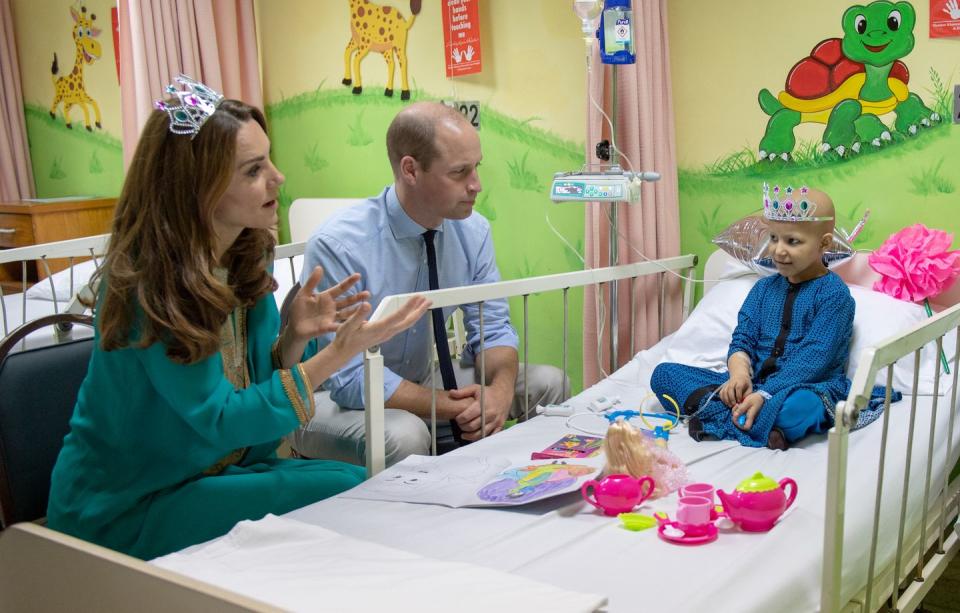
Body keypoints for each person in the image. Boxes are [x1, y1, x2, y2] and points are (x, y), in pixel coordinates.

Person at [46, 76, 429, 560]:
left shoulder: (244, 259)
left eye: (268, 159)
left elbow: (259, 423)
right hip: (126, 506)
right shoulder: (152, 289)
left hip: (209, 473)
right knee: (348, 499)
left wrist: (293, 341)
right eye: (253, 170)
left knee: (363, 485)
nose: (277, 177)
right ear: (196, 188)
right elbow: (224, 420)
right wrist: (335, 356)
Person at [290, 101, 568, 466]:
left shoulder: (473, 232)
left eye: (477, 168)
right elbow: (348, 376)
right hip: (328, 399)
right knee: (406, 433)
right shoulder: (340, 246)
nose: (476, 185)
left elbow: (493, 329)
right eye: (459, 172)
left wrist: (497, 395)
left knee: (549, 383)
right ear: (411, 170)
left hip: (420, 380)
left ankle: (528, 493)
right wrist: (444, 405)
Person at [650, 185, 894, 450]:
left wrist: (765, 394)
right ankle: (754, 421)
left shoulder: (835, 295)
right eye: (774, 238)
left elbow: (814, 359)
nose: (778, 250)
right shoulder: (763, 289)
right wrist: (739, 376)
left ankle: (728, 416)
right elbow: (742, 338)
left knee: (801, 406)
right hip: (754, 385)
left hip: (806, 385)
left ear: (824, 243)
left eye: (793, 241)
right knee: (663, 375)